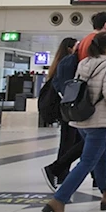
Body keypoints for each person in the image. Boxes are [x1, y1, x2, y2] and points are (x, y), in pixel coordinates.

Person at [42, 32, 106, 212]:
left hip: (82, 118)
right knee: (87, 161)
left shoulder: (84, 63)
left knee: (100, 157)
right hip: (100, 121)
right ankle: (59, 200)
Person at [40, 37, 77, 189]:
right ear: (69, 48)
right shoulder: (67, 63)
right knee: (72, 141)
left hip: (65, 109)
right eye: (76, 46)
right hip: (68, 110)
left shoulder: (59, 64)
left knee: (75, 141)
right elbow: (63, 86)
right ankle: (58, 171)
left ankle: (61, 171)